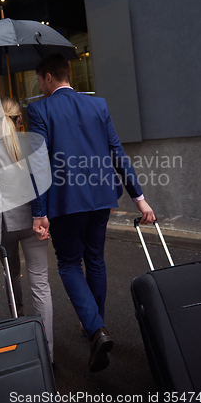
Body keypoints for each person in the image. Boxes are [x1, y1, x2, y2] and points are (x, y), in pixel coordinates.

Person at [27, 53, 156, 373]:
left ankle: (96, 328)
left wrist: (38, 211)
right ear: (67, 75)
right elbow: (117, 152)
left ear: (46, 78)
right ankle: (93, 326)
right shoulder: (98, 105)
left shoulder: (39, 109)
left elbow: (38, 162)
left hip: (65, 202)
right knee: (95, 259)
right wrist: (139, 198)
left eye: (39, 81)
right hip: (100, 198)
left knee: (69, 263)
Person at [0, 97, 54, 362]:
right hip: (35, 223)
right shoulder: (35, 144)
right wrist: (45, 218)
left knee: (12, 277)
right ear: (19, 119)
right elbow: (46, 184)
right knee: (41, 285)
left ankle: (20, 325)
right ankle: (48, 353)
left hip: (7, 227)